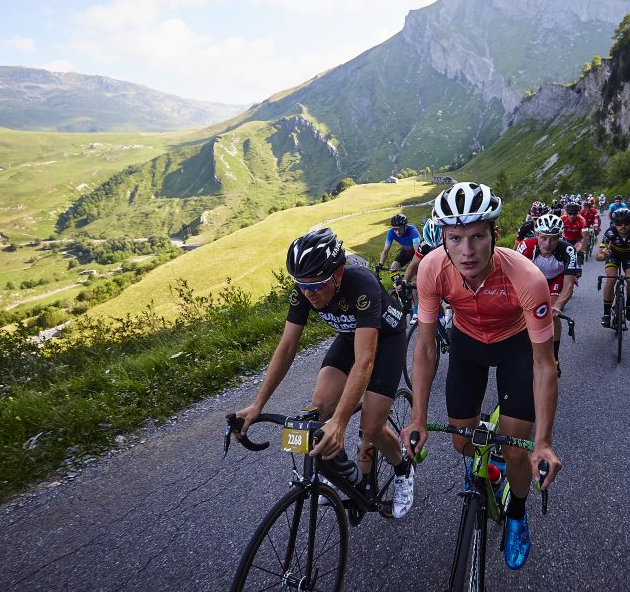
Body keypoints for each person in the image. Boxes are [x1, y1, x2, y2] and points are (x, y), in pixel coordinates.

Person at [403, 182, 562, 571]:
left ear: (495, 233)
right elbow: (424, 347)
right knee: (462, 444)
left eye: (477, 236)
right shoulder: (432, 269)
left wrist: (543, 442)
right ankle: (489, 474)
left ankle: (517, 514)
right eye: (455, 238)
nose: (467, 250)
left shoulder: (526, 278)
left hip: (516, 349)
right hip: (468, 345)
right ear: (443, 238)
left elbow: (545, 365)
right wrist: (419, 417)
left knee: (515, 450)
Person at [234, 228, 415, 518]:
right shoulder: (305, 288)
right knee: (317, 412)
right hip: (348, 337)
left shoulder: (362, 284)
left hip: (386, 341)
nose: (308, 293)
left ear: (338, 274)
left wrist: (341, 422)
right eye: (301, 285)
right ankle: (342, 470)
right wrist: (258, 405)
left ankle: (403, 468)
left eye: (316, 285)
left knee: (371, 427)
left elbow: (366, 360)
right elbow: (287, 346)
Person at [515, 213, 581, 362]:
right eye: (544, 238)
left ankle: (554, 357)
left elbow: (569, 284)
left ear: (560, 237)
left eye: (554, 238)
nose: (548, 244)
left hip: (556, 279)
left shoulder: (568, 250)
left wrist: (558, 306)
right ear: (537, 234)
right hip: (533, 278)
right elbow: (515, 277)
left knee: (551, 312)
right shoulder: (526, 246)